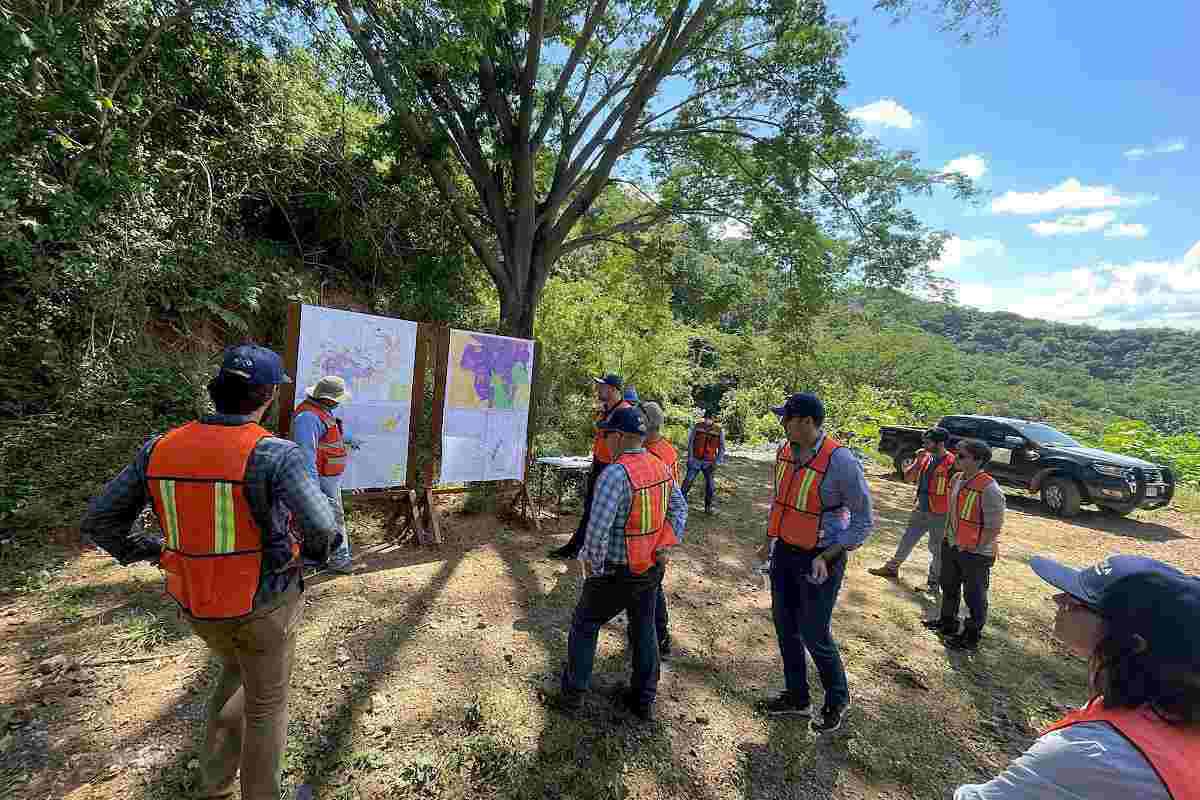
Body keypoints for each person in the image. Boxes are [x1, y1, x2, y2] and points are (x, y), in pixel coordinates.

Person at [80, 344, 341, 800]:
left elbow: (101, 521)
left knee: (234, 671)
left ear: (217, 389)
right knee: (266, 705)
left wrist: (155, 551)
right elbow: (322, 525)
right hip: (264, 601)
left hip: (197, 603)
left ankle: (215, 788)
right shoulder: (275, 454)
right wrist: (315, 558)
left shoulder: (160, 448)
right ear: (267, 397)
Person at [955, 554, 1200, 799]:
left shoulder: (1096, 754)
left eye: (1079, 602)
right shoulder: (1165, 708)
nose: (1058, 598)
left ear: (1131, 644)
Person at [557, 406, 687, 721]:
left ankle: (573, 696)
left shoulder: (614, 474)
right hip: (650, 568)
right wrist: (663, 544)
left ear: (619, 436)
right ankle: (643, 699)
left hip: (618, 570)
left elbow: (597, 532)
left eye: (606, 434)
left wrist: (594, 570)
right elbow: (680, 509)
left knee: (585, 623)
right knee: (644, 628)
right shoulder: (659, 465)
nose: (605, 440)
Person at [756, 392, 874, 734]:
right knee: (785, 626)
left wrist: (829, 554)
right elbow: (780, 501)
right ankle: (797, 697)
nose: (782, 424)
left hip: (821, 558)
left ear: (807, 422)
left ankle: (837, 699)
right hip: (785, 554)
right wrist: (769, 541)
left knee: (814, 631)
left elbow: (863, 520)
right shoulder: (784, 452)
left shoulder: (841, 462)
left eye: (787, 418)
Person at [923, 438, 1005, 650]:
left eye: (962, 456)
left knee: (974, 596)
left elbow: (994, 527)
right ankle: (947, 622)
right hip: (952, 545)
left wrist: (974, 547)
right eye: (956, 454)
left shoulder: (990, 489)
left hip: (976, 554)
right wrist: (949, 539)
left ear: (978, 461)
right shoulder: (958, 478)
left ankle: (971, 635)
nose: (956, 458)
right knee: (948, 585)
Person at [548, 373, 633, 559]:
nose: (598, 390)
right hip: (599, 463)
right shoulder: (608, 409)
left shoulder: (625, 412)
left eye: (601, 387)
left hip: (612, 468)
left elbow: (628, 445)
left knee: (601, 511)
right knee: (590, 508)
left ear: (612, 389)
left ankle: (585, 549)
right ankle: (577, 547)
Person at [868, 427, 956, 592]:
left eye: (927, 442)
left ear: (940, 443)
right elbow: (908, 478)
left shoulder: (952, 463)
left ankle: (933, 583)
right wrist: (917, 461)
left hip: (940, 512)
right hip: (921, 508)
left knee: (936, 548)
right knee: (907, 539)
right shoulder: (925, 458)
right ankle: (892, 568)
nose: (924, 444)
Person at [292, 375, 353, 574]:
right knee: (332, 518)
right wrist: (313, 486)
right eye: (337, 399)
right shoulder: (308, 418)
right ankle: (339, 560)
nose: (338, 403)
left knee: (330, 517)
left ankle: (327, 558)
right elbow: (306, 454)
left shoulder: (320, 412)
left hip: (327, 477)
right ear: (328, 399)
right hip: (321, 478)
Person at [640, 401, 682, 656]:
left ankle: (660, 637)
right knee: (651, 586)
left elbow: (672, 500)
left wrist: (664, 540)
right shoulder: (657, 449)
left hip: (656, 531)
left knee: (652, 587)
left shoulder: (660, 454)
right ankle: (655, 635)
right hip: (651, 527)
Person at [682, 411, 725, 514]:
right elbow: (691, 442)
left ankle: (708, 507)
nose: (707, 420)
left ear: (714, 419)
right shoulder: (697, 426)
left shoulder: (719, 430)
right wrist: (690, 458)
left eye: (709, 418)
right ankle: (680, 503)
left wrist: (717, 462)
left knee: (710, 486)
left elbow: (722, 448)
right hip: (695, 460)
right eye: (706, 418)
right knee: (687, 482)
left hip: (709, 463)